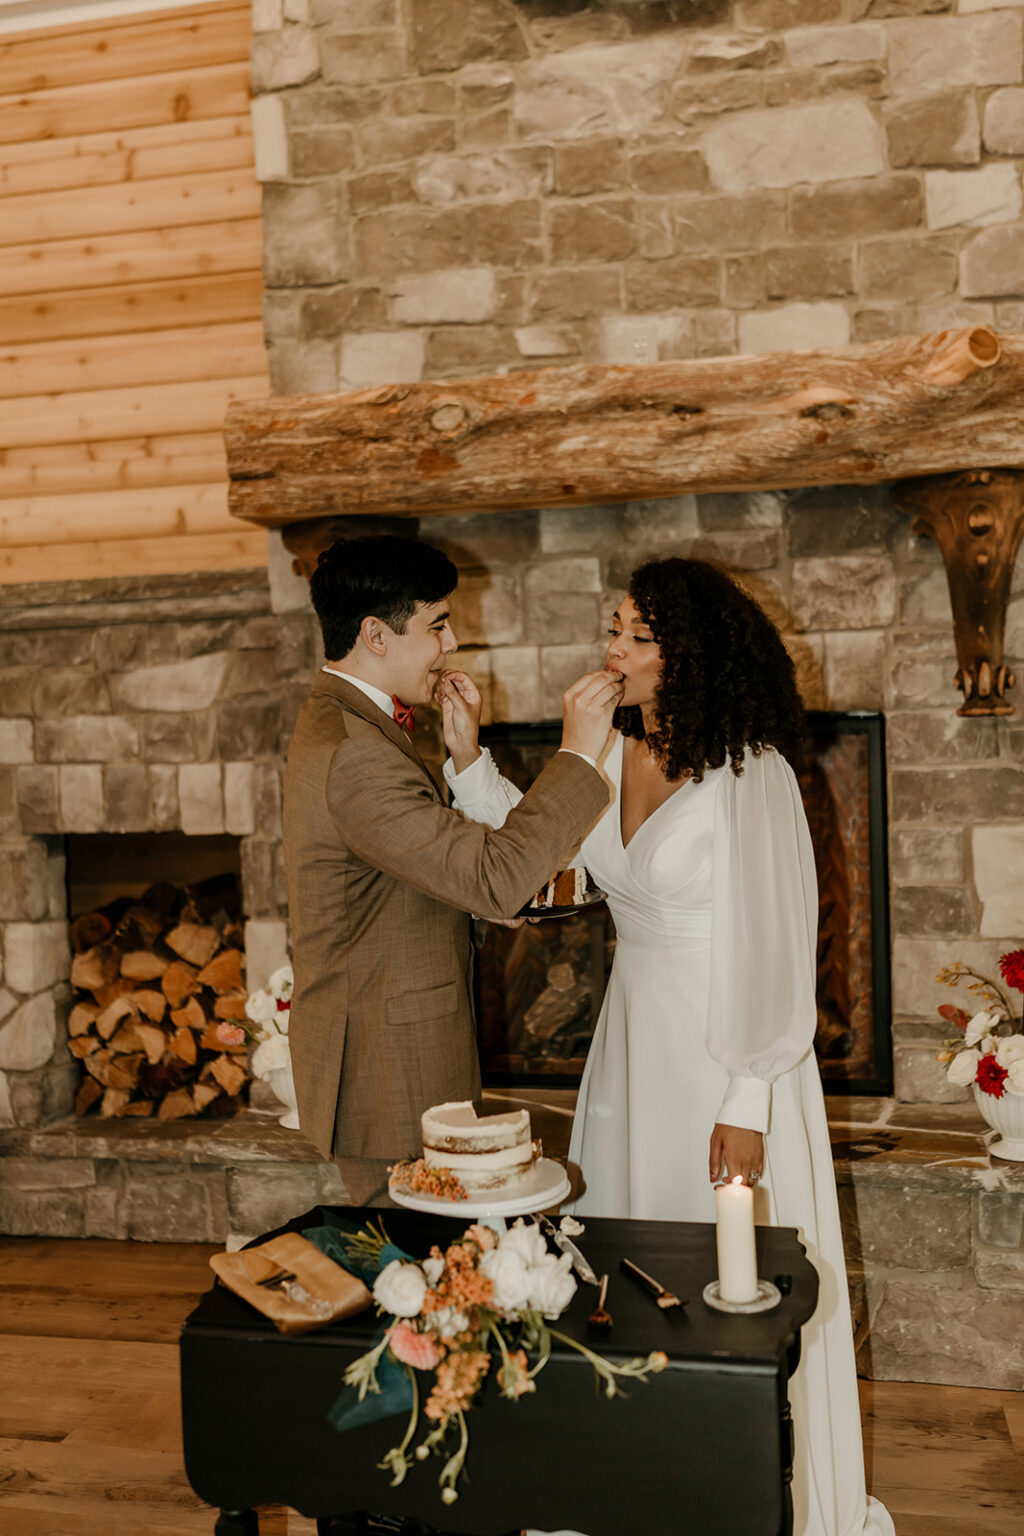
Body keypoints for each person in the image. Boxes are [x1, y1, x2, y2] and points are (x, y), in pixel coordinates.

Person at [442, 556, 894, 1536]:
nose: (612, 649)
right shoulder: (609, 752)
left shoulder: (754, 772)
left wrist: (744, 1104)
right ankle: (640, 1485)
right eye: (611, 628)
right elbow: (538, 855)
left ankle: (753, 1494)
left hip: (731, 1050)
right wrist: (473, 755)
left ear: (686, 654)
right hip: (632, 1045)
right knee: (625, 1259)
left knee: (732, 1282)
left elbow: (778, 946)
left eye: (634, 635)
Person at [282, 534, 618, 1206]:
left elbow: (401, 875)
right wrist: (579, 756)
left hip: (397, 1052)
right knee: (423, 1282)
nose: (451, 643)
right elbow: (492, 875)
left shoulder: (358, 725)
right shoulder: (355, 751)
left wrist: (464, 756)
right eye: (437, 624)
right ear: (376, 634)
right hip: (388, 1072)